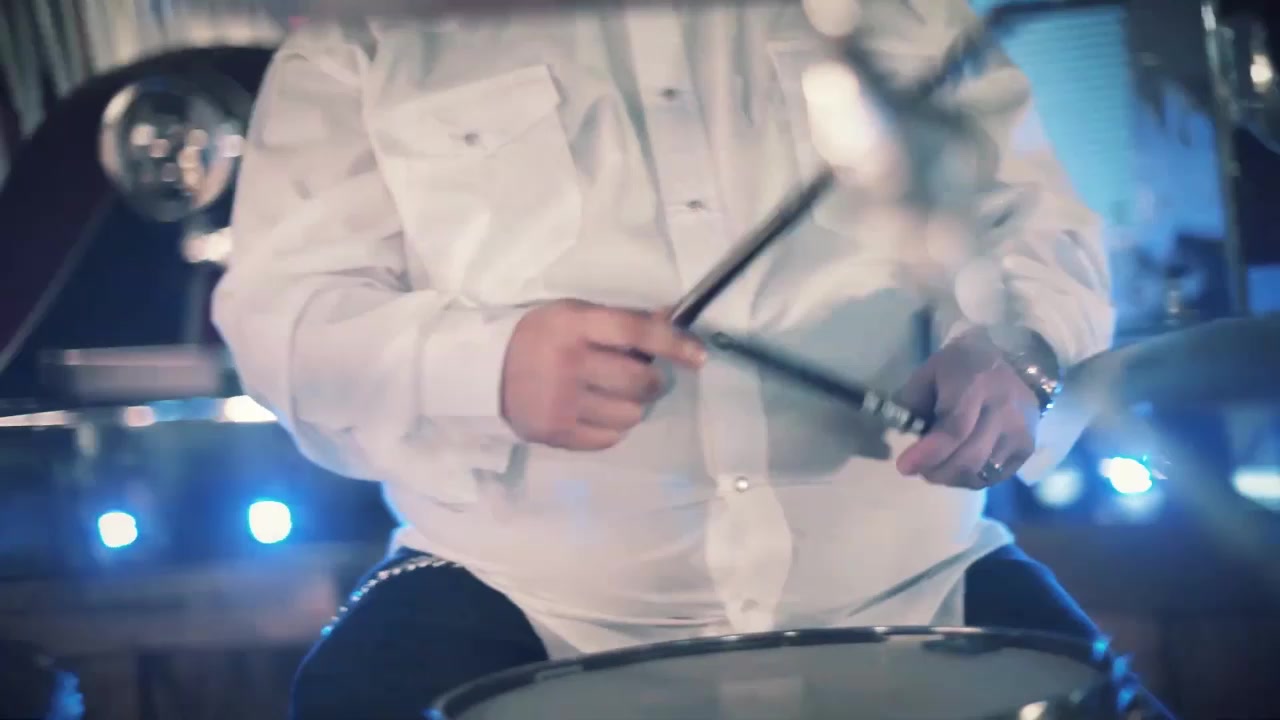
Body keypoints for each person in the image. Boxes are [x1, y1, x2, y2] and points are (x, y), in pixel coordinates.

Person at [212, 1, 1148, 717]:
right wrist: (486, 367)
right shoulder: (368, 25)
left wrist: (1016, 353)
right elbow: (282, 315)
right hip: (521, 598)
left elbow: (1039, 224)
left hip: (921, 585)